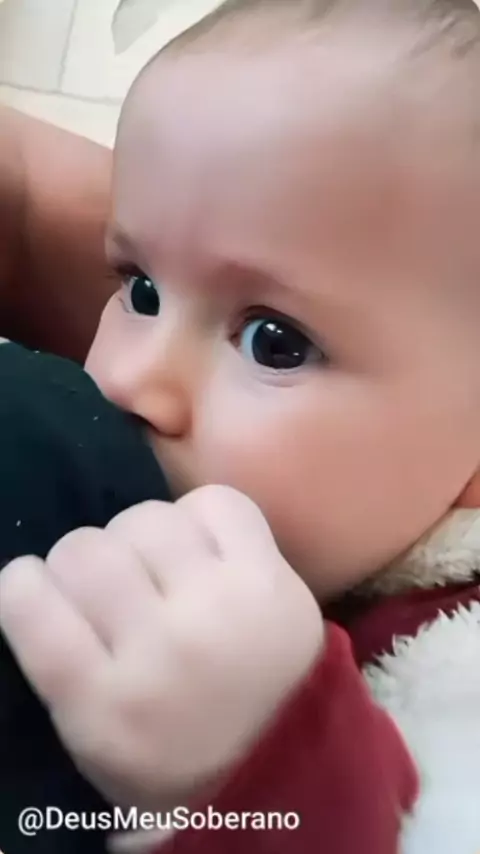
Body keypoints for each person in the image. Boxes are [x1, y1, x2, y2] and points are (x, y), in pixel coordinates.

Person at [2, 1, 480, 852]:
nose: (126, 380)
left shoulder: (456, 673)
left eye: (275, 342)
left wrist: (261, 762)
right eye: (140, 288)